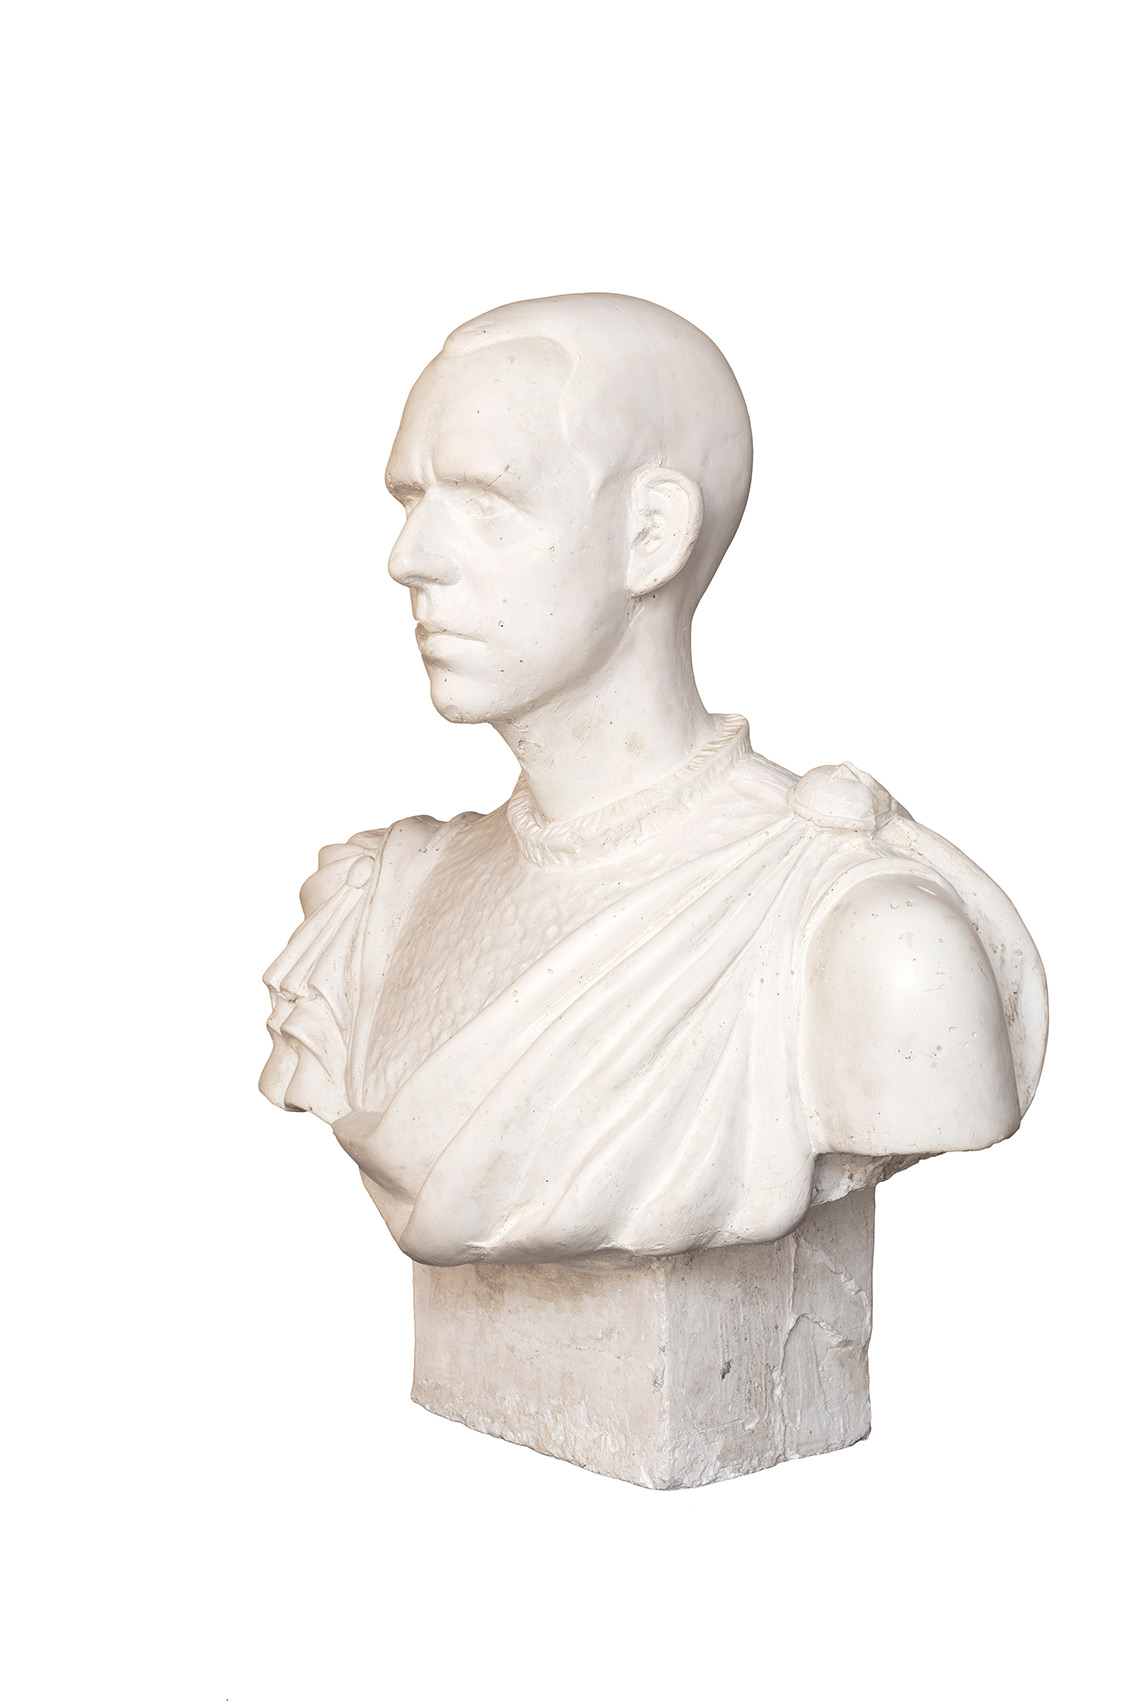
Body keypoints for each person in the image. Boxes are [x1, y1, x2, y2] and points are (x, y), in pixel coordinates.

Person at [260, 294, 1046, 1266]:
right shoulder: (380, 904)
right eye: (410, 501)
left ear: (652, 535)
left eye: (486, 503)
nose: (408, 558)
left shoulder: (864, 938)